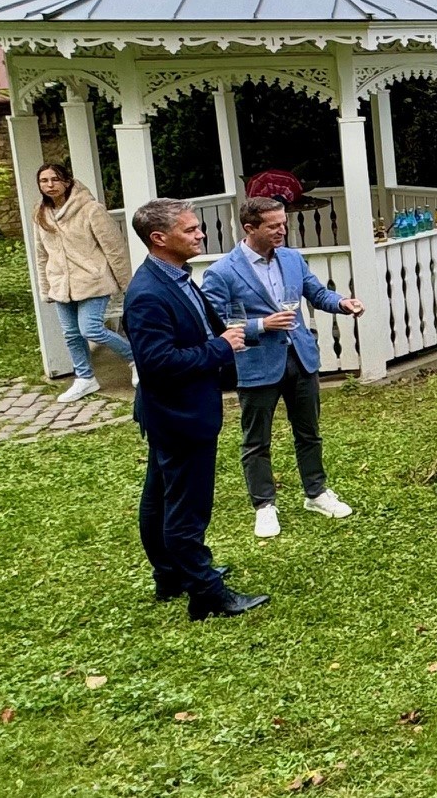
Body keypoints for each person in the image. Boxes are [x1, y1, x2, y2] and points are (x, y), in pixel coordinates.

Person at [125, 198, 265, 621]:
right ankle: (206, 592)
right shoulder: (148, 294)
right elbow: (157, 364)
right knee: (187, 506)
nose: (200, 234)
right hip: (179, 412)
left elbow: (201, 329)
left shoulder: (176, 277)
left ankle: (170, 575)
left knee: (159, 495)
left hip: (176, 410)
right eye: (190, 230)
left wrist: (234, 335)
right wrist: (218, 348)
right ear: (159, 238)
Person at [201, 196, 365, 539]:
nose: (282, 230)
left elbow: (317, 294)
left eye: (283, 223)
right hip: (256, 364)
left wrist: (342, 303)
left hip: (301, 358)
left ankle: (316, 493)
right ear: (250, 229)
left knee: (309, 432)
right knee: (256, 441)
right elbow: (212, 326)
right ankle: (264, 506)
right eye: (273, 226)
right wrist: (262, 326)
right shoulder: (223, 272)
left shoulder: (292, 259)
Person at [30, 163, 136, 403]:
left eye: (55, 179)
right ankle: (85, 378)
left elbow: (114, 247)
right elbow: (41, 253)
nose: (50, 185)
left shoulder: (90, 209)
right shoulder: (40, 212)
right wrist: (45, 287)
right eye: (44, 181)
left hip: (93, 281)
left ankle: (135, 360)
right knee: (71, 334)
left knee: (91, 329)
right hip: (60, 284)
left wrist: (125, 283)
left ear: (67, 181)